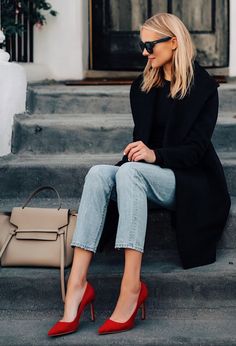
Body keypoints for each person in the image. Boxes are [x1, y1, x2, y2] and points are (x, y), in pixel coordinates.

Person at [47, 12, 231, 337]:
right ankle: (76, 286)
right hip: (147, 175)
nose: (144, 53)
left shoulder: (203, 87)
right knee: (99, 175)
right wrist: (138, 157)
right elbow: (139, 145)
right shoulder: (143, 86)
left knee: (130, 173)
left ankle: (131, 287)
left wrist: (154, 154)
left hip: (189, 181)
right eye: (141, 45)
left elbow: (196, 150)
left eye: (150, 45)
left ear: (173, 42)